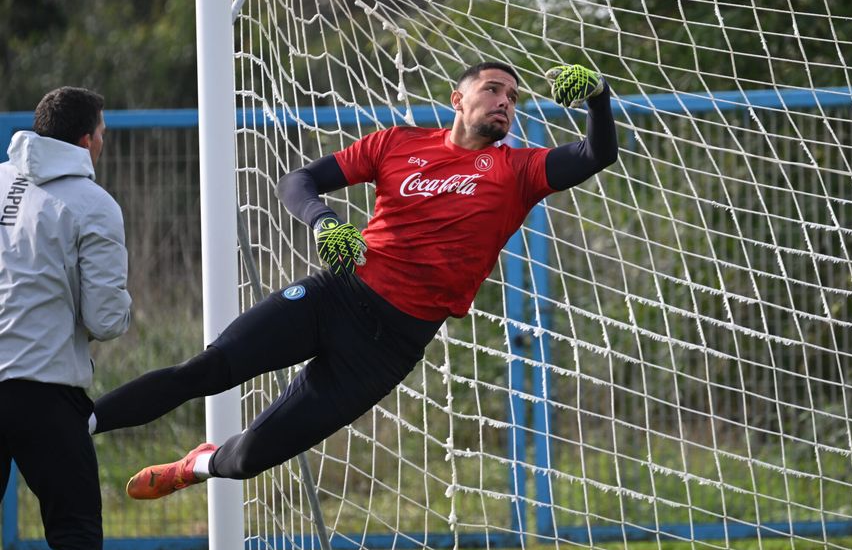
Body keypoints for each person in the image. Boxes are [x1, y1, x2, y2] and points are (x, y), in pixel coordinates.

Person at [92, 61, 616, 499]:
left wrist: (597, 96)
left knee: (251, 456)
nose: (505, 101)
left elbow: (597, 154)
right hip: (336, 298)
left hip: (389, 348)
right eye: (493, 89)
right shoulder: (396, 144)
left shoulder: (520, 170)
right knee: (205, 371)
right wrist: (323, 223)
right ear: (458, 98)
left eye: (513, 96)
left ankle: (197, 465)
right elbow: (298, 180)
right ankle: (83, 425)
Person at [0, 87, 132, 550]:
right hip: (43, 391)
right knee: (76, 538)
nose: (103, 142)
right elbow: (105, 319)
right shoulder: (93, 203)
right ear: (86, 141)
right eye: (101, 134)